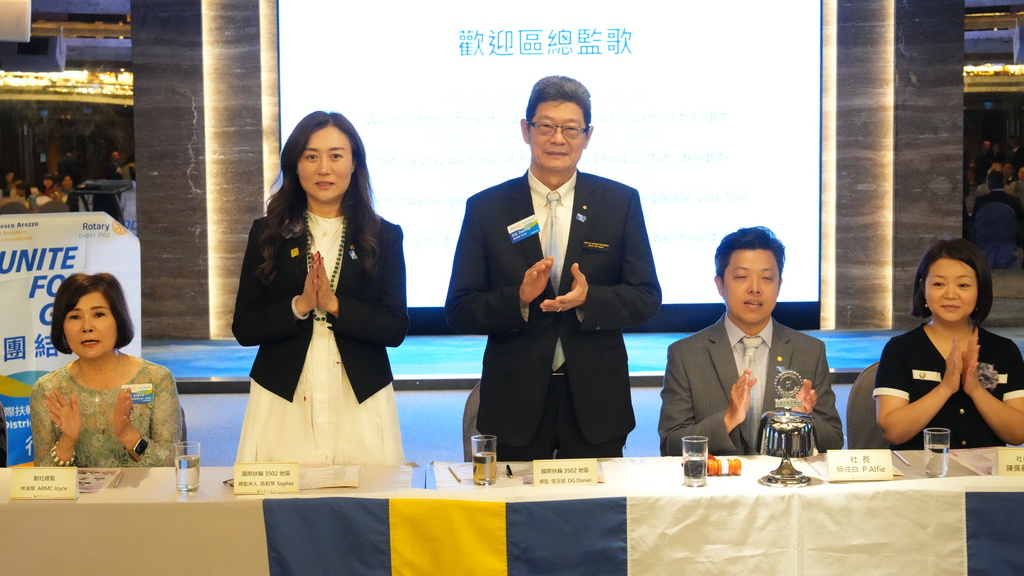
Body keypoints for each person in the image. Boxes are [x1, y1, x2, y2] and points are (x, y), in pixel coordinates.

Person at [445, 75, 662, 461]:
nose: (558, 138)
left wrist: (589, 299)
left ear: (587, 135)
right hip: (514, 401)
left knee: (599, 501)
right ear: (526, 130)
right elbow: (460, 308)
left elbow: (646, 297)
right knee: (516, 502)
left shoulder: (619, 202)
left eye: (571, 128)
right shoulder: (487, 208)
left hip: (596, 400)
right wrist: (519, 298)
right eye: (546, 126)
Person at [232, 110, 408, 466]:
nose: (324, 169)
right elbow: (245, 328)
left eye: (336, 156)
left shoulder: (383, 236)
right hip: (284, 394)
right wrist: (299, 305)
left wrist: (334, 305)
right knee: (283, 496)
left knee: (366, 494)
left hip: (359, 394)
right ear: (295, 165)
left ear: (354, 164)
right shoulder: (268, 233)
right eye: (311, 156)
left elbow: (394, 328)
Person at [658, 226, 844, 456]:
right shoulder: (686, 354)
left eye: (766, 278)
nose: (755, 288)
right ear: (720, 284)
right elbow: (670, 445)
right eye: (742, 277)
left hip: (785, 479)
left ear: (779, 286)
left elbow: (834, 440)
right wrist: (727, 419)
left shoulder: (810, 350)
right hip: (720, 479)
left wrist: (805, 419)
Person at [874, 239, 1024, 449]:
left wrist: (976, 390)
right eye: (938, 284)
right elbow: (893, 431)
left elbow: (1018, 434)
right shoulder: (900, 349)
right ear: (923, 288)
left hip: (986, 470)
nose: (951, 295)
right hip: (920, 469)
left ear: (980, 290)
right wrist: (945, 388)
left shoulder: (1004, 351)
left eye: (963, 285)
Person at [29, 273, 182, 467]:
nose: (87, 327)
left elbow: (171, 464)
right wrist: (67, 442)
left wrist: (129, 435)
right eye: (75, 317)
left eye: (99, 314)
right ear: (62, 326)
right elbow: (43, 477)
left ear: (118, 319)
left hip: (143, 489)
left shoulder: (156, 379)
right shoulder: (49, 390)